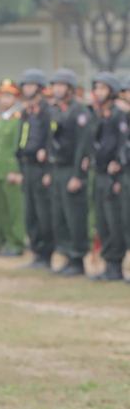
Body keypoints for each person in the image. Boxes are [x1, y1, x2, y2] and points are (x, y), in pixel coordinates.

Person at [44, 68, 94, 276]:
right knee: (60, 215)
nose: (57, 89)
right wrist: (48, 169)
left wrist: (78, 176)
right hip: (56, 169)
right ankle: (66, 253)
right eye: (55, 85)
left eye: (61, 85)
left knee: (75, 215)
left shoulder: (80, 112)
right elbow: (51, 142)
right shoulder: (57, 110)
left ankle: (77, 257)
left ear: (71, 89)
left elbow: (83, 146)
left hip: (70, 170)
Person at [89, 72, 127, 281]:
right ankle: (108, 263)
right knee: (102, 220)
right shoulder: (101, 114)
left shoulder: (118, 116)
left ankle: (115, 264)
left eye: (103, 88)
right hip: (100, 173)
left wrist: (118, 164)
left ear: (112, 91)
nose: (99, 92)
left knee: (114, 221)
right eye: (97, 88)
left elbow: (121, 144)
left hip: (113, 175)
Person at [16, 69, 56, 269]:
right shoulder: (26, 112)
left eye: (31, 85)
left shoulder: (48, 112)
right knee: (30, 213)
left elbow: (51, 139)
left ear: (40, 88)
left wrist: (48, 168)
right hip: (28, 167)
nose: (27, 89)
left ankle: (46, 254)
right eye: (25, 85)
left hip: (41, 169)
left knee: (43, 213)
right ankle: (37, 251)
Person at [0, 79, 26, 256]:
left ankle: (17, 243)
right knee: (2, 210)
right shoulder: (1, 120)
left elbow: (17, 146)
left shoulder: (17, 119)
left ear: (16, 98)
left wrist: (17, 170)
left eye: (8, 95)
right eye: (2, 95)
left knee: (15, 210)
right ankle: (7, 240)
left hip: (11, 172)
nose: (4, 99)